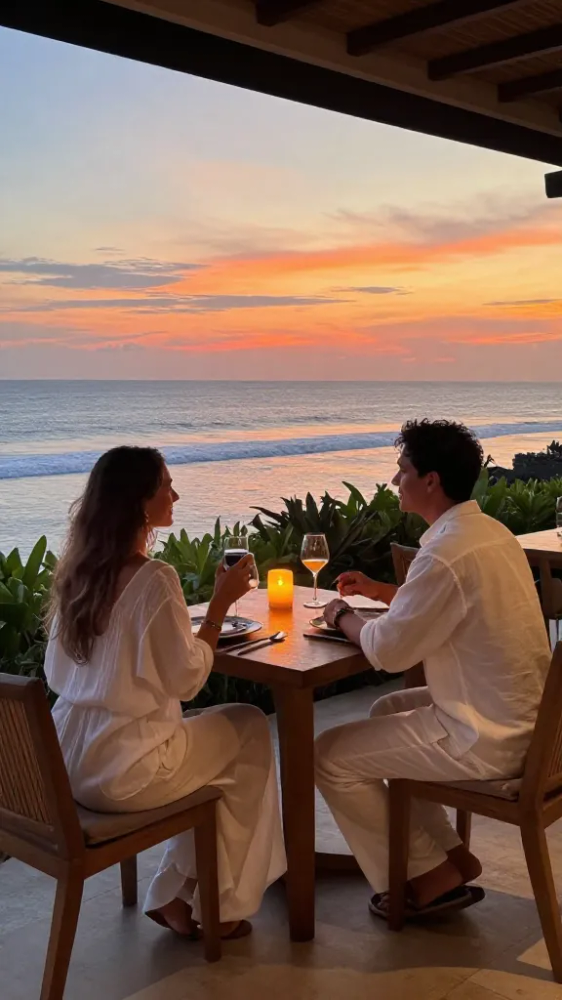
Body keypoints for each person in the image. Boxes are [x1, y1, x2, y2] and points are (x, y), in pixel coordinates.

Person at [45, 446, 286, 940]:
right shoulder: (155, 578)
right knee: (249, 728)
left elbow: (61, 669)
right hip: (126, 770)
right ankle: (221, 905)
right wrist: (219, 606)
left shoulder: (78, 573)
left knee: (224, 750)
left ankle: (177, 895)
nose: (175, 494)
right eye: (166, 487)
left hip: (68, 761)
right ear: (139, 502)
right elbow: (188, 681)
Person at [315, 419, 550, 920]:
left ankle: (423, 872)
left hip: (485, 737)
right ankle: (449, 855)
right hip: (530, 722)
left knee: (328, 756)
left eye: (402, 471)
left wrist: (342, 616)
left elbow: (387, 652)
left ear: (431, 481)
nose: (395, 480)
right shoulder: (488, 534)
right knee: (387, 709)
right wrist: (381, 592)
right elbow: (449, 605)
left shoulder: (443, 553)